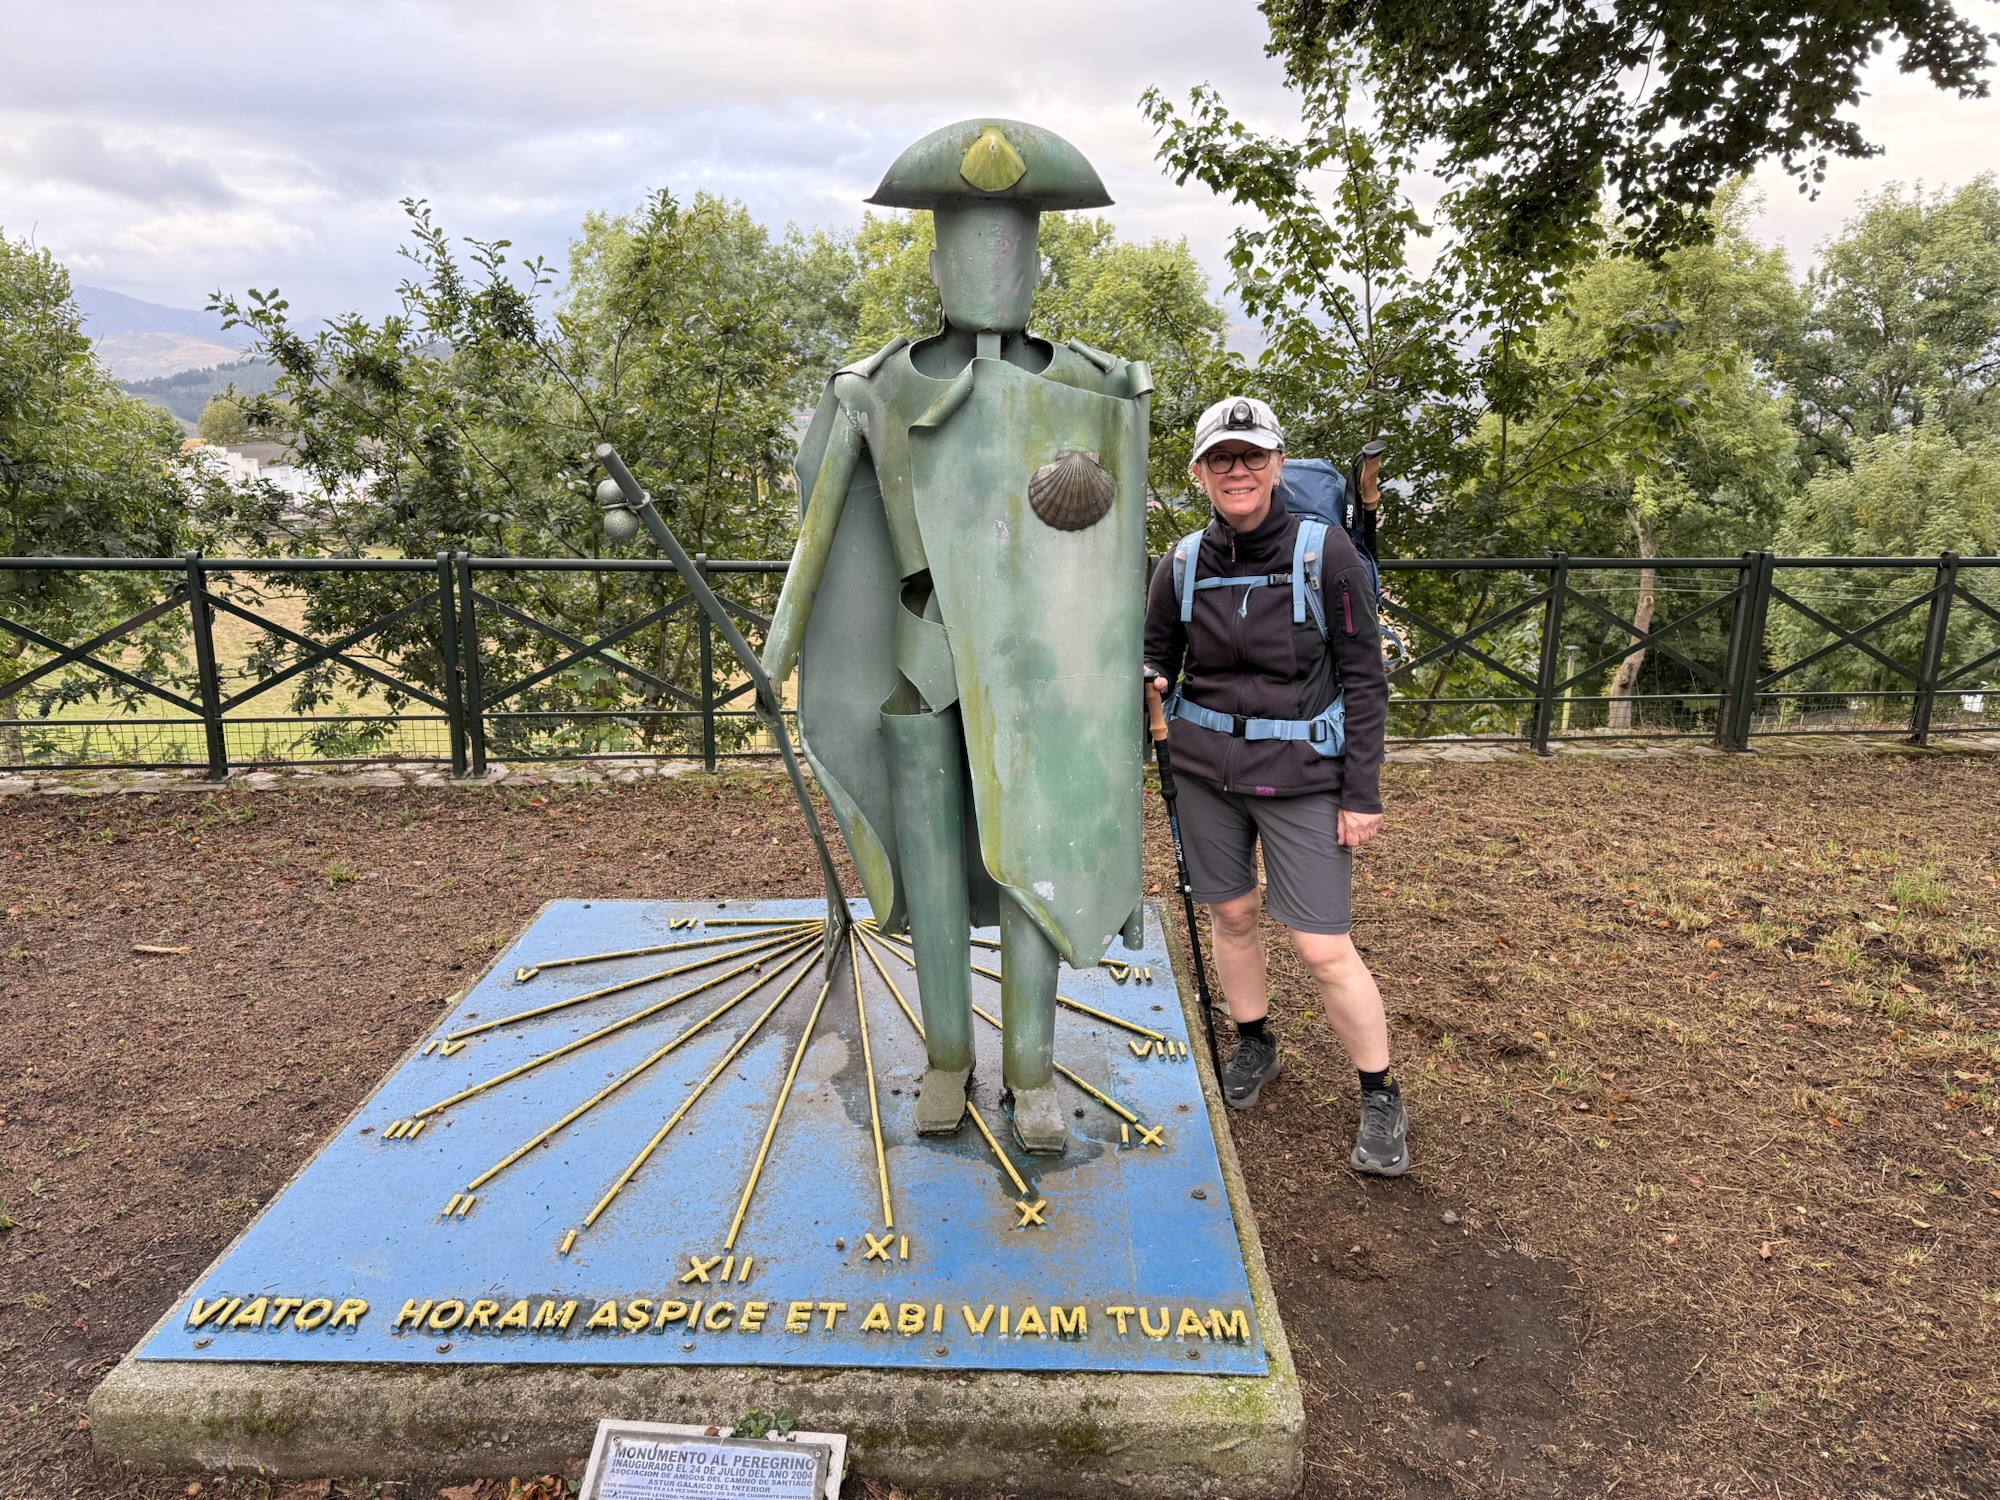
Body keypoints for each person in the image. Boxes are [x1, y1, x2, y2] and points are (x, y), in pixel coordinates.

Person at [1142, 395, 1407, 1176]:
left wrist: (1361, 793)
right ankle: (1255, 1042)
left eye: (1252, 455)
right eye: (1221, 458)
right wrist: (1149, 679)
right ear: (1199, 473)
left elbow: (1364, 681)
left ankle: (1380, 1092)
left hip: (1305, 777)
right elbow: (1157, 654)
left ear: (1278, 465)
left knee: (1323, 946)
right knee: (1231, 914)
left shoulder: (1329, 555)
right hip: (1206, 774)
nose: (1238, 470)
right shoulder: (1182, 563)